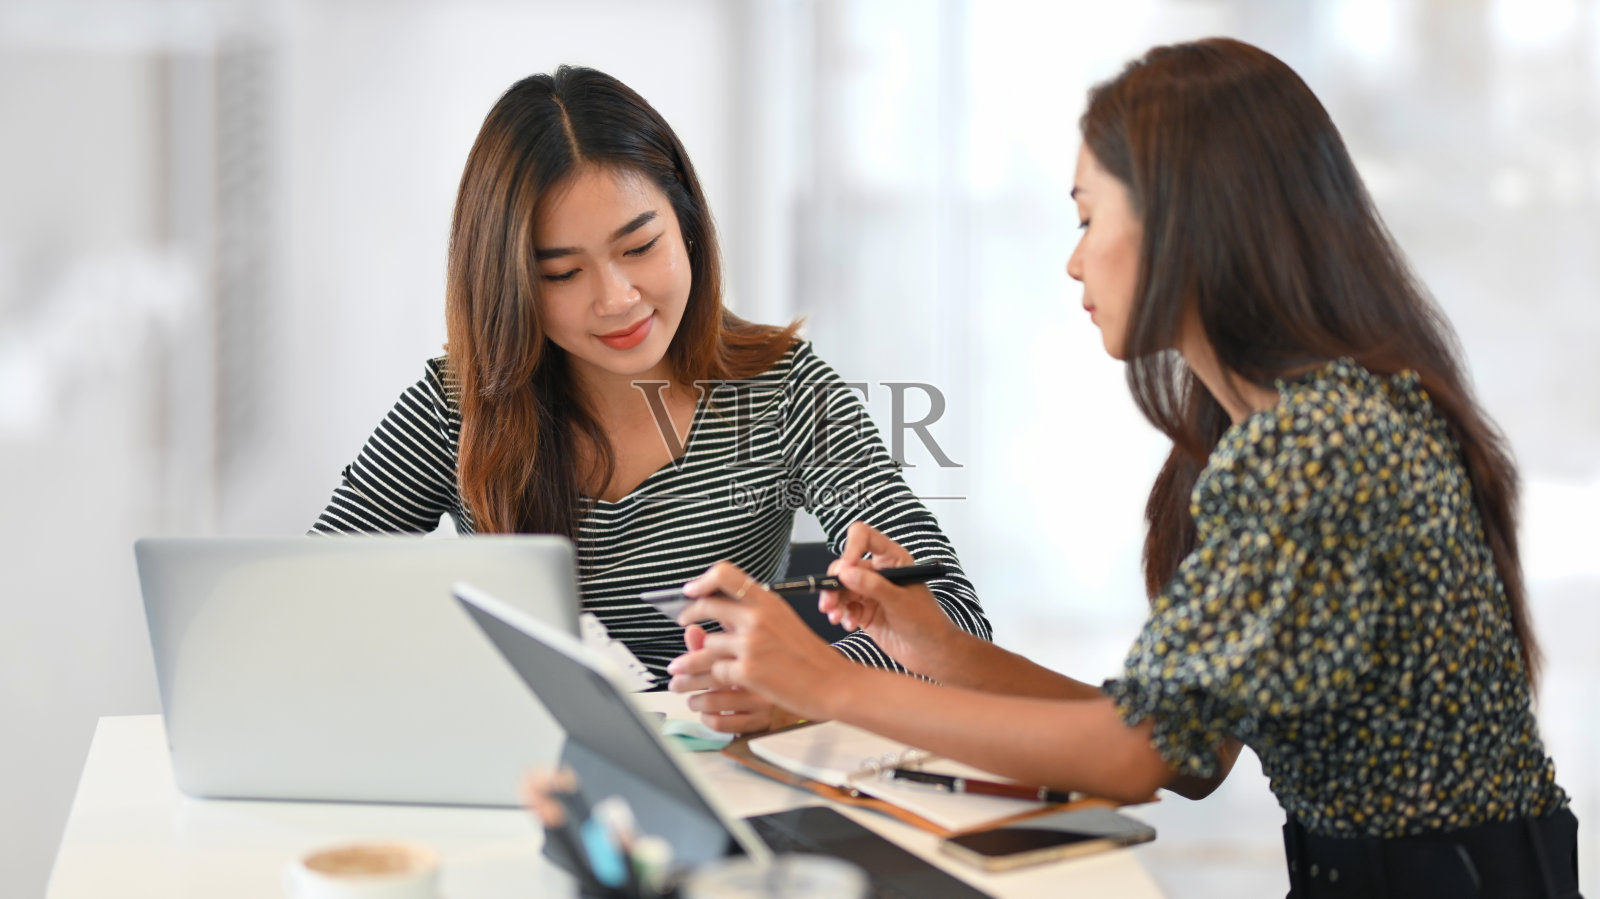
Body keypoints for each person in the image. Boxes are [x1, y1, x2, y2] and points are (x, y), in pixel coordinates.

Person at [665, 38, 1579, 896]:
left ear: (1187, 222)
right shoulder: (1288, 427)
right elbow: (1191, 748)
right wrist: (932, 651)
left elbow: (1135, 756)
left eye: (1089, 215)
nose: (1073, 260)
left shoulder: (1323, 444)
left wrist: (828, 684)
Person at [311, 65, 991, 734]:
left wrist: (810, 688)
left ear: (687, 223)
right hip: (526, 772)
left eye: (639, 246)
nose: (616, 298)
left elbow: (953, 617)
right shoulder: (455, 404)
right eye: (563, 272)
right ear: (509, 283)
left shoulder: (783, 392)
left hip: (731, 779)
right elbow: (307, 605)